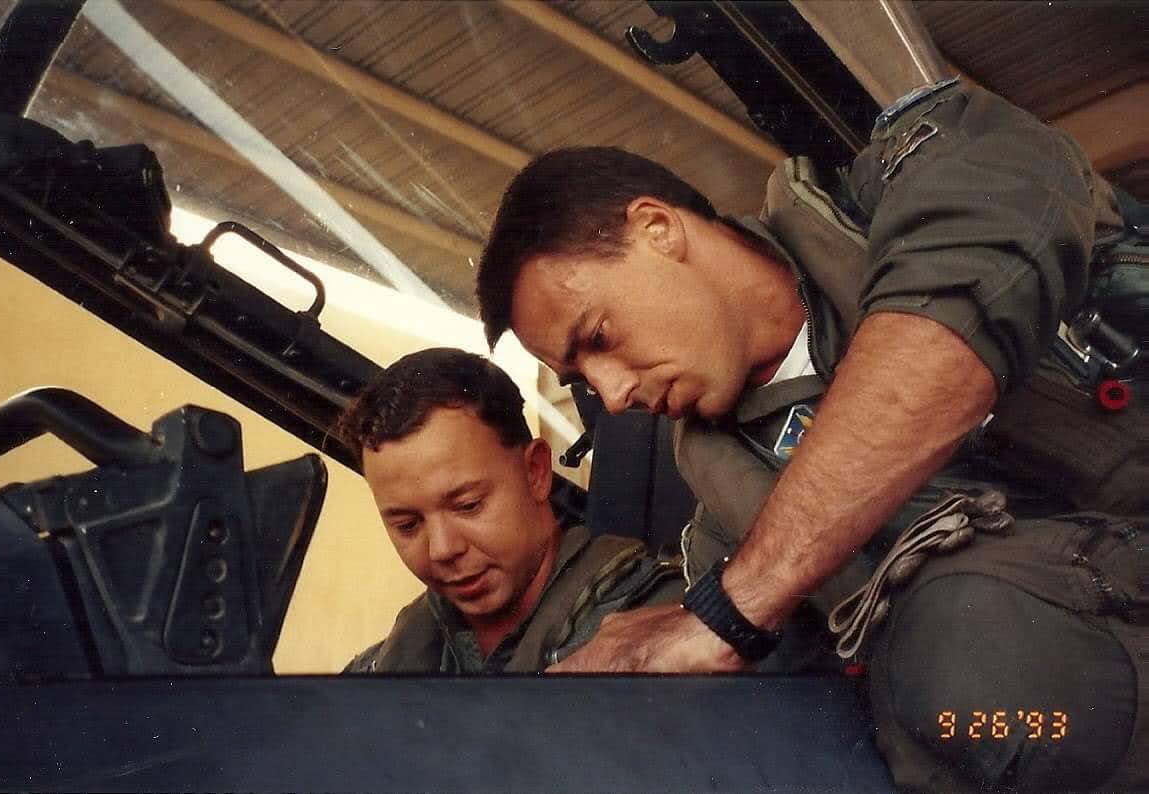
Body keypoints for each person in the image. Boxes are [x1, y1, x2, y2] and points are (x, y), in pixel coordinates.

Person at [475, 78, 1146, 790]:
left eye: (599, 337)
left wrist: (729, 612)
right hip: (1046, 724)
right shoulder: (728, 527)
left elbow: (942, 338)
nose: (613, 395)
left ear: (657, 229)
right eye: (580, 375)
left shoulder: (936, 158)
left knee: (973, 649)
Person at [338, 347, 685, 674]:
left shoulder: (666, 634)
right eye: (408, 525)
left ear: (536, 472)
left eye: (468, 506)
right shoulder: (389, 663)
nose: (442, 549)